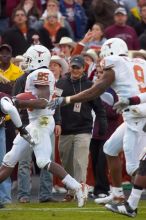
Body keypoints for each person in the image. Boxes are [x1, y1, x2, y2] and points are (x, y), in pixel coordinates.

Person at [48, 37, 146, 212]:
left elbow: (96, 90)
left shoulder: (115, 62)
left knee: (133, 168)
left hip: (138, 118)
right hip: (136, 114)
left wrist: (67, 99)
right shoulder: (138, 61)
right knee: (110, 148)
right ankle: (117, 194)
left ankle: (131, 206)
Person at [0, 44, 88, 208]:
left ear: (37, 58)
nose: (25, 61)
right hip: (34, 122)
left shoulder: (42, 73)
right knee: (9, 160)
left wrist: (18, 102)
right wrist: (18, 102)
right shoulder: (32, 74)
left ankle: (77, 187)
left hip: (43, 121)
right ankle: (76, 186)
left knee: (42, 161)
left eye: (28, 57)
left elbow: (43, 102)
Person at [55, 55, 107, 202]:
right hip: (65, 129)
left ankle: (81, 192)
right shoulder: (60, 83)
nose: (75, 69)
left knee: (80, 161)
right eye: (73, 66)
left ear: (84, 68)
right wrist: (58, 122)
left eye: (78, 67)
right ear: (69, 67)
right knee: (66, 163)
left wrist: (102, 125)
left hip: (83, 129)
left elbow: (99, 108)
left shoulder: (90, 85)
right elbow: (55, 104)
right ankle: (72, 190)